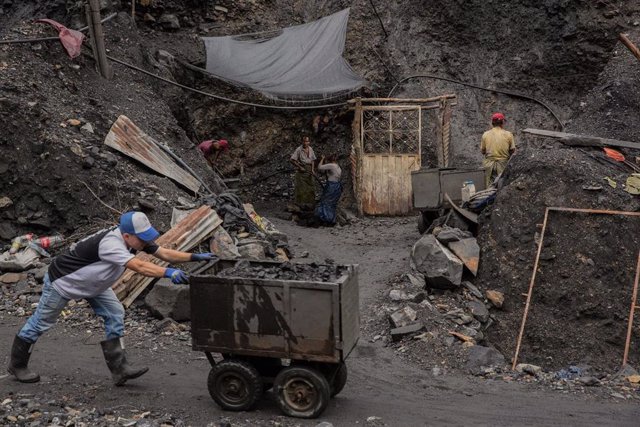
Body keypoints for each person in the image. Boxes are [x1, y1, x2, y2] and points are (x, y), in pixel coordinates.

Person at [7, 211, 216, 386]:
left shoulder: (136, 241)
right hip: (63, 283)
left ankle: (120, 369)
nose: (146, 241)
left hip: (94, 285)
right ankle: (17, 365)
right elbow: (140, 266)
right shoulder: (110, 244)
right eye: (142, 238)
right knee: (41, 322)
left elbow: (165, 253)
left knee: (115, 312)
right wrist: (168, 273)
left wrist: (193, 256)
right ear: (126, 236)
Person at [480, 112, 515, 187]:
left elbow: (483, 151)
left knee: (489, 186)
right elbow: (512, 151)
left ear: (492, 122)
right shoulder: (509, 134)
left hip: (489, 165)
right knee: (502, 185)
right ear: (502, 122)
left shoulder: (485, 134)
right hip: (503, 165)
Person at [289, 136, 317, 209]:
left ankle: (310, 205)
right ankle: (300, 205)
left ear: (309, 142)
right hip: (302, 170)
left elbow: (313, 160)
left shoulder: (310, 149)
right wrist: (299, 167)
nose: (306, 143)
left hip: (309, 169)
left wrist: (313, 170)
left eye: (307, 141)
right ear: (302, 142)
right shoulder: (299, 149)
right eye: (304, 141)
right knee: (301, 188)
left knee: (311, 187)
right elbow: (292, 160)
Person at [315, 153, 343, 225]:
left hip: (331, 186)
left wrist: (322, 159)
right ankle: (331, 219)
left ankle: (325, 218)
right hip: (337, 186)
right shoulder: (337, 166)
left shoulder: (331, 165)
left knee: (325, 202)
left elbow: (319, 167)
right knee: (332, 204)